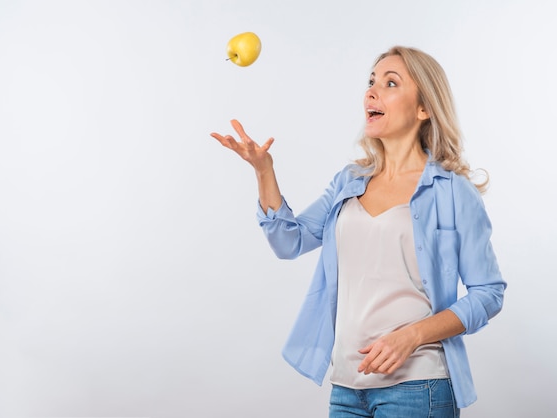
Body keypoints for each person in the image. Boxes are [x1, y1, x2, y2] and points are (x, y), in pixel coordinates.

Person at [210, 45, 506, 418]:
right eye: (371, 81)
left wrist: (412, 335)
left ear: (424, 108)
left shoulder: (451, 191)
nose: (371, 91)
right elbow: (289, 241)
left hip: (419, 387)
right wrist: (264, 171)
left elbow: (489, 293)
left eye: (390, 82)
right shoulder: (349, 182)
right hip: (347, 389)